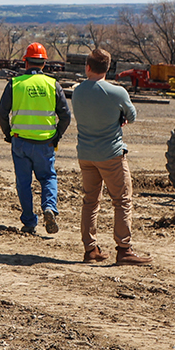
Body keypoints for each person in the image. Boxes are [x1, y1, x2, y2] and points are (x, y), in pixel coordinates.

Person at [69, 47, 151, 266]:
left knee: (90, 201)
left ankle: (90, 249)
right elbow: (131, 116)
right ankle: (124, 249)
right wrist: (119, 117)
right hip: (111, 154)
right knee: (122, 200)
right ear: (108, 68)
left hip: (85, 154)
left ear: (87, 67)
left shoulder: (77, 91)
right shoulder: (117, 92)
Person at [0, 42, 71, 235]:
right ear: (44, 63)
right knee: (48, 177)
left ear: (25, 62)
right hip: (45, 142)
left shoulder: (15, 84)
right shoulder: (52, 84)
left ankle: (29, 222)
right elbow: (66, 115)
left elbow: (1, 114)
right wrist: (57, 136)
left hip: (20, 141)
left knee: (23, 182)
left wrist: (9, 135)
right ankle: (49, 207)